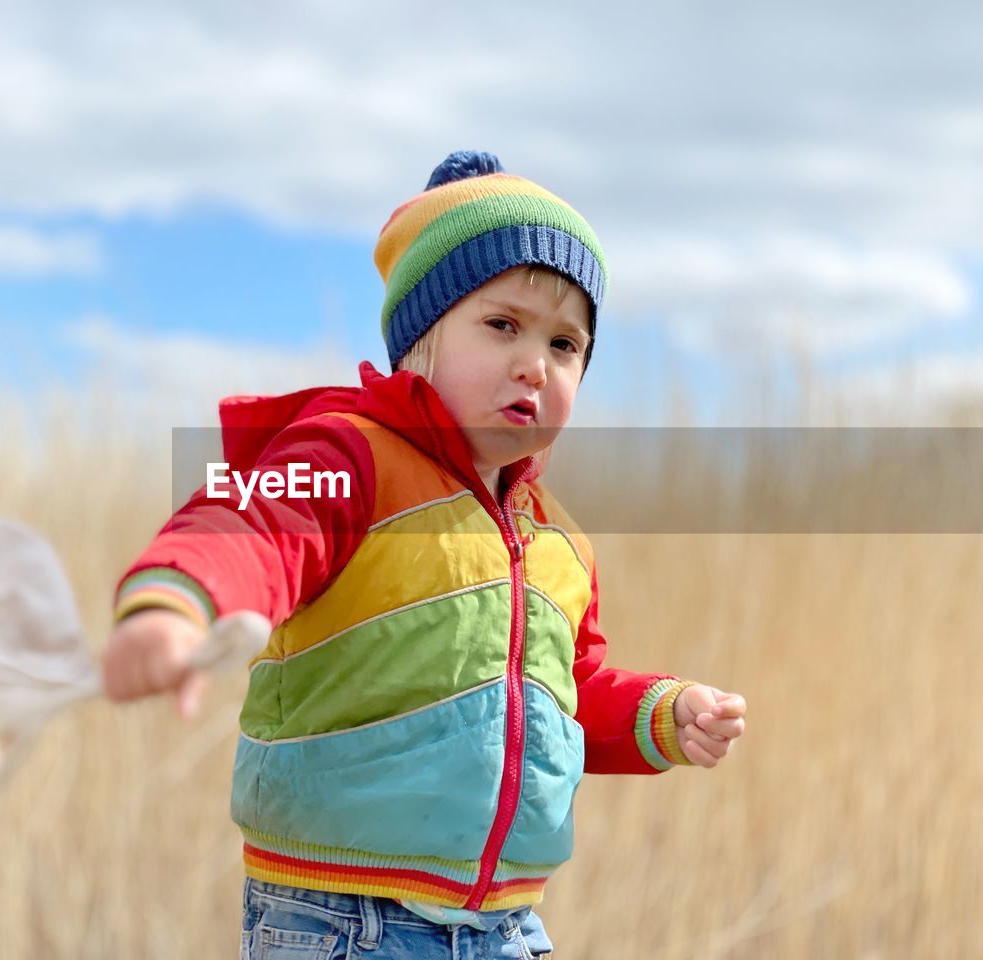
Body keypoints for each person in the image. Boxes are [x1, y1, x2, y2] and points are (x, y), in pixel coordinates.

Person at [103, 150, 747, 958]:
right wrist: (176, 604)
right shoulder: (352, 457)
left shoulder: (558, 543)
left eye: (566, 344)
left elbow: (562, 696)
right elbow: (253, 525)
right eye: (502, 325)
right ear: (420, 339)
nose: (534, 364)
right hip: (342, 918)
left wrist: (659, 715)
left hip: (506, 927)